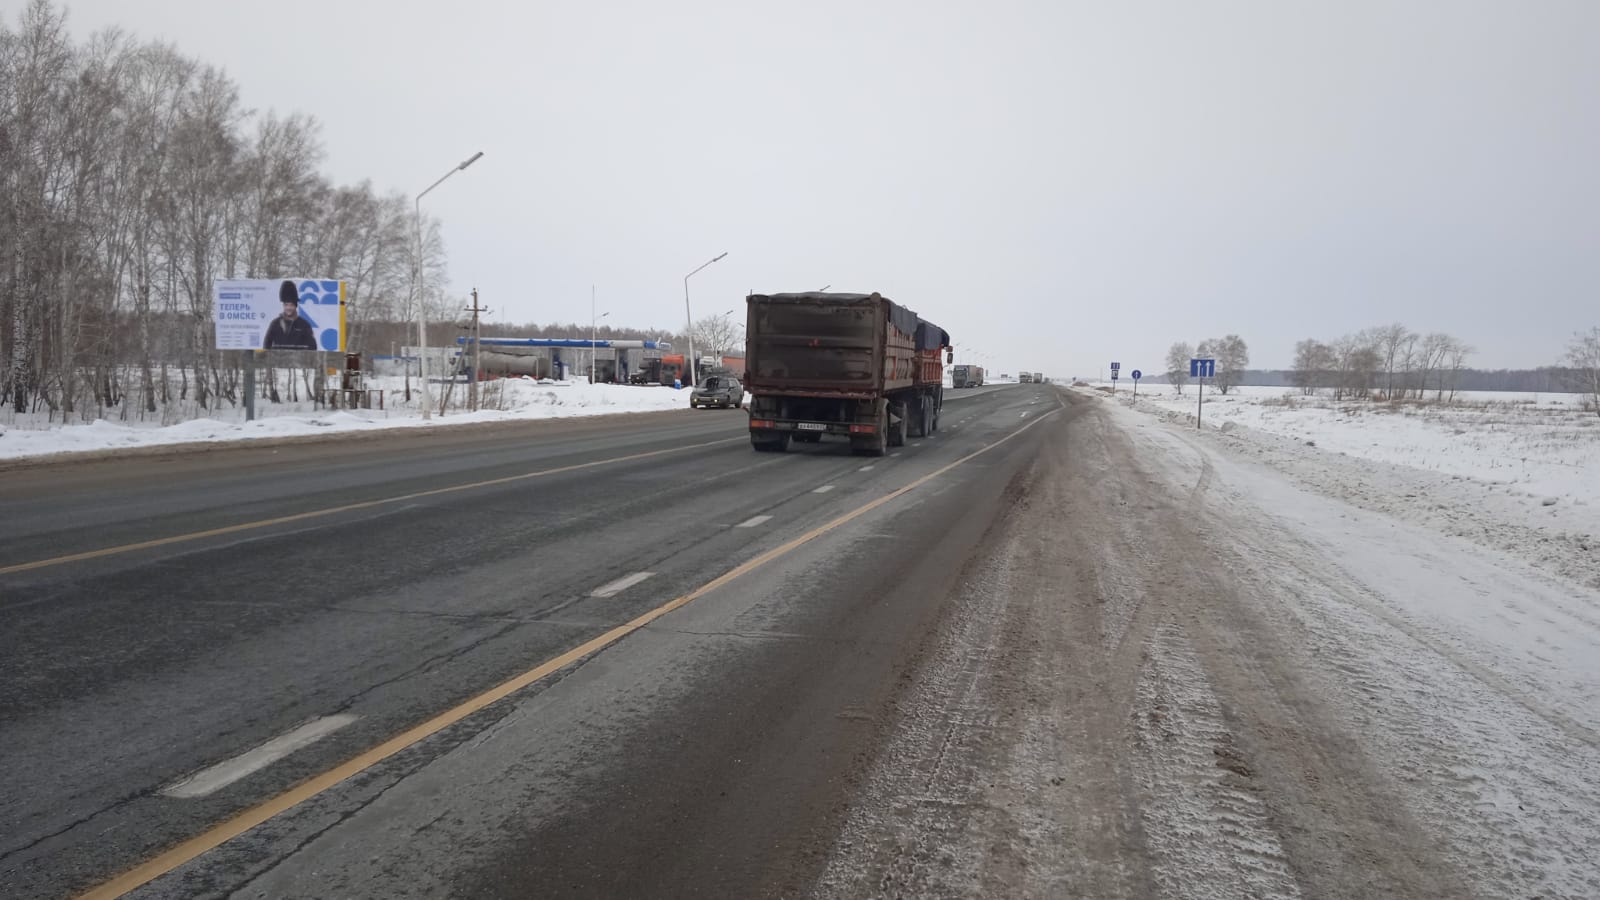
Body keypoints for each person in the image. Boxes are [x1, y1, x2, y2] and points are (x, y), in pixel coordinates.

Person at [263, 280, 318, 350]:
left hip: (299, 360)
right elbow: (266, 345)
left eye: (291, 305)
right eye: (286, 305)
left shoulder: (304, 325)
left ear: (295, 306)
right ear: (283, 306)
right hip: (277, 359)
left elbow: (313, 347)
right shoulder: (275, 324)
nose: (288, 308)